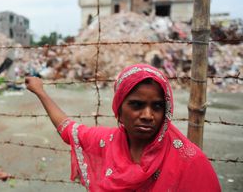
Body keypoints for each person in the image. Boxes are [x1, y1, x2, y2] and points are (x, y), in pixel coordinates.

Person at [25, 63, 221, 191]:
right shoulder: (107, 142)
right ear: (118, 107)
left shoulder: (189, 161)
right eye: (136, 105)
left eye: (157, 106)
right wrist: (40, 92)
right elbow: (68, 129)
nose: (147, 116)